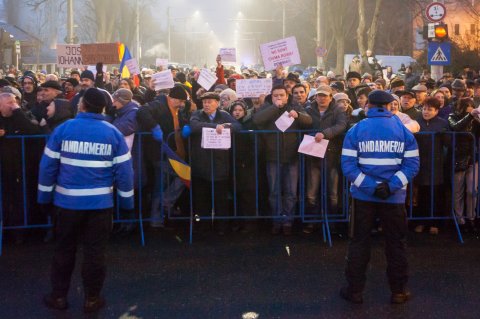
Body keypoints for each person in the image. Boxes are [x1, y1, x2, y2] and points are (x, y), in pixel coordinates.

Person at [38, 87, 134, 313]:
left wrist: (43, 197)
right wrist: (127, 203)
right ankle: (92, 299)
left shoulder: (63, 129)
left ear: (81, 105)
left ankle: (59, 297)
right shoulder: (112, 133)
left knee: (64, 250)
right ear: (103, 108)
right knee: (95, 253)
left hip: (66, 204)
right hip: (100, 206)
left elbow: (47, 166)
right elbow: (125, 173)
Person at [340, 90, 420, 304]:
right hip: (393, 199)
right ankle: (399, 291)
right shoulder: (403, 131)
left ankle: (355, 291)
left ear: (369, 105)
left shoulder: (355, 130)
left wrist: (370, 186)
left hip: (363, 198)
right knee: (396, 244)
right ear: (388, 106)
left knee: (359, 243)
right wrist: (391, 186)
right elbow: (412, 165)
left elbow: (348, 166)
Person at [253, 85, 312, 235]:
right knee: (274, 191)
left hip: (292, 157)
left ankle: (288, 221)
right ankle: (276, 220)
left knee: (291, 192)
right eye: (275, 95)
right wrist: (274, 108)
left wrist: (297, 115)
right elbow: (257, 120)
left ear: (287, 96)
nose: (279, 98)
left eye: (281, 95)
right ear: (271, 97)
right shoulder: (267, 107)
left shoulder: (295, 106)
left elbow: (309, 121)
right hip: (272, 156)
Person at [189, 92, 242, 235]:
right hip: (201, 163)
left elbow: (238, 127)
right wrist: (215, 126)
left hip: (220, 164)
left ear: (217, 103)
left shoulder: (224, 115)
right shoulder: (197, 114)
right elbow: (194, 126)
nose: (206, 104)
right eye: (204, 102)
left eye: (210, 102)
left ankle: (222, 227)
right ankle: (203, 226)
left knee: (221, 199)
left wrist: (227, 126)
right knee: (201, 198)